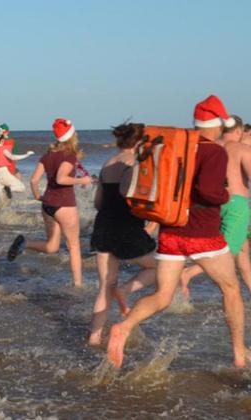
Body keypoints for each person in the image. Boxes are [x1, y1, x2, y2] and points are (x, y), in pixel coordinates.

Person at [108, 95, 249, 369]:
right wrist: (226, 194)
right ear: (219, 124)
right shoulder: (214, 151)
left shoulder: (175, 145)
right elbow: (209, 192)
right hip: (203, 233)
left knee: (163, 296)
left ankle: (124, 326)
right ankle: (239, 354)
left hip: (170, 231)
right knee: (231, 289)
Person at [87, 123, 158, 346]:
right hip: (126, 227)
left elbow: (98, 203)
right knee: (159, 268)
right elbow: (136, 200)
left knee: (104, 286)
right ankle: (125, 290)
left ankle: (94, 337)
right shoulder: (134, 165)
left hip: (103, 226)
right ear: (138, 142)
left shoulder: (107, 165)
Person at [7, 119, 91, 287]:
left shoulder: (47, 156)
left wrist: (38, 196)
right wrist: (83, 179)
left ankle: (25, 243)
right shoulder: (69, 156)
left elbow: (33, 180)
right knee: (74, 246)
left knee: (52, 246)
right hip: (64, 205)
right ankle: (78, 285)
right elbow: (61, 178)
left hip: (47, 205)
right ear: (71, 136)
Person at [180, 116, 251, 296]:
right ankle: (188, 273)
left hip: (215, 204)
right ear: (238, 131)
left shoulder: (211, 148)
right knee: (228, 251)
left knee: (242, 252)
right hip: (237, 205)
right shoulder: (241, 148)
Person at [0, 124, 34, 200]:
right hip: (6, 171)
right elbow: (14, 157)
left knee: (2, 198)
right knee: (20, 186)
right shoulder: (8, 144)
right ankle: (11, 193)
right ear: (7, 132)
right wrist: (27, 155)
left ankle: (0, 208)